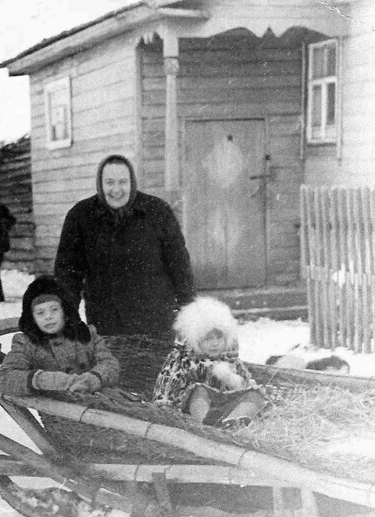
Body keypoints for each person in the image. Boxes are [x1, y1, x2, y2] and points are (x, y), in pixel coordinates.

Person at [54, 154, 195, 337]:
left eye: (123, 182)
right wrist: (68, 318)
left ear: (132, 182)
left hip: (155, 323)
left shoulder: (157, 211)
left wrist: (191, 314)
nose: (116, 190)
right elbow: (68, 273)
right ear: (100, 184)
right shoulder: (81, 216)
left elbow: (180, 267)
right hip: (106, 323)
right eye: (110, 182)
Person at [0, 276, 120, 397]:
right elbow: (5, 377)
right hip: (60, 413)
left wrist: (93, 379)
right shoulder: (27, 343)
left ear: (65, 311)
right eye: (40, 312)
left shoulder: (86, 334)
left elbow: (110, 363)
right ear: (32, 318)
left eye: (54, 309)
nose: (48, 316)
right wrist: (44, 380)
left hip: (101, 402)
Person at [152, 296, 268, 427]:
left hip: (226, 407)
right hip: (192, 408)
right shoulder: (183, 359)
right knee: (199, 390)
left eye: (219, 338)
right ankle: (204, 422)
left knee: (255, 395)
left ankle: (233, 421)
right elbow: (167, 382)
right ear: (196, 340)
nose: (215, 344)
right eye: (208, 339)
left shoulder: (231, 360)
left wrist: (236, 381)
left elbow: (245, 383)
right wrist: (164, 405)